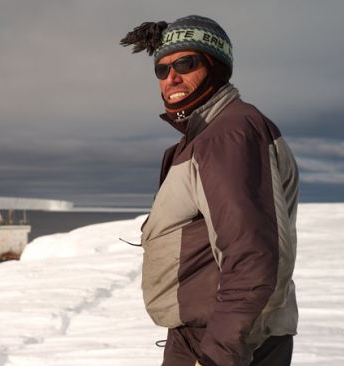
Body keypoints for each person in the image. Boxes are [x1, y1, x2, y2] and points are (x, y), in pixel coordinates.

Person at [120, 15, 299, 366]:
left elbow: (251, 257)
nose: (171, 77)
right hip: (208, 335)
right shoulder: (207, 136)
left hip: (227, 342)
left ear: (215, 67)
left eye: (186, 64)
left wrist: (217, 355)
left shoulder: (229, 135)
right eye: (162, 69)